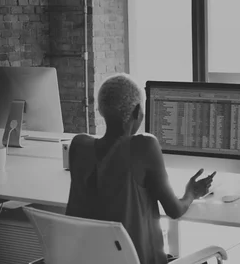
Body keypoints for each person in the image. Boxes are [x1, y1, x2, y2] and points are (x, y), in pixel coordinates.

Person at [65, 73, 215, 264]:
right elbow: (174, 210)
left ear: (100, 109)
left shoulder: (78, 145)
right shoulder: (144, 146)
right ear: (137, 112)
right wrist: (191, 193)